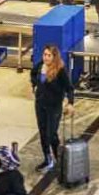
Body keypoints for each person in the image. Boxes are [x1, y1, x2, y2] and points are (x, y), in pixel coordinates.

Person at [30, 45, 75, 173]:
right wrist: (34, 85)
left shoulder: (60, 70)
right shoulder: (39, 66)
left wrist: (70, 102)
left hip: (53, 107)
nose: (46, 57)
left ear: (54, 56)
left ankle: (58, 157)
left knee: (51, 134)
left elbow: (69, 88)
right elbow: (33, 74)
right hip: (40, 105)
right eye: (44, 54)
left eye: (49, 55)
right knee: (43, 133)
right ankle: (47, 158)